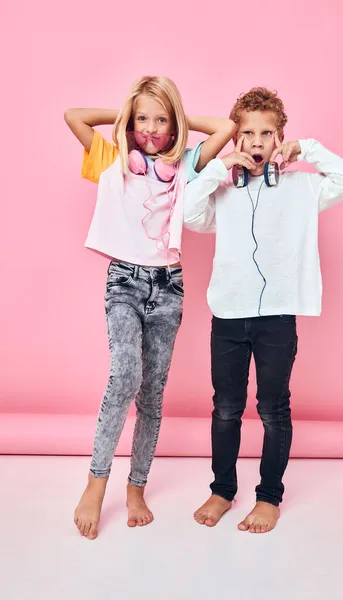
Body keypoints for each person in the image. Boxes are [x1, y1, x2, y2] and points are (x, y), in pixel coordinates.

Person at [64, 75, 236, 540]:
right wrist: (123, 119)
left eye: (161, 119)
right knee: (125, 375)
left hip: (169, 285)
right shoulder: (114, 158)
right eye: (144, 118)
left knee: (153, 394)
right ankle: (96, 484)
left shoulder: (184, 165)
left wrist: (178, 125)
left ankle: (136, 487)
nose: (152, 128)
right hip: (124, 280)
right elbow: (74, 117)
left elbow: (224, 128)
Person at [184, 86, 343, 534]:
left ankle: (268, 498)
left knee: (272, 408)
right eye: (247, 133)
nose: (257, 141)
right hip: (228, 315)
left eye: (267, 132)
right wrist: (216, 167)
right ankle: (222, 489)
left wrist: (307, 149)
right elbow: (187, 214)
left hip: (278, 317)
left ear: (281, 136)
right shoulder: (223, 192)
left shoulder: (303, 188)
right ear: (236, 139)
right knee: (225, 407)